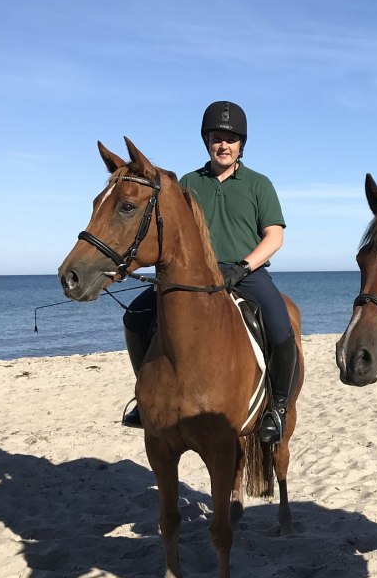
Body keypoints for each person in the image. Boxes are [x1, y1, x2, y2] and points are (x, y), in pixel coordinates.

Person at [121, 100, 298, 444]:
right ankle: (145, 399)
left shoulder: (259, 184)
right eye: (217, 137)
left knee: (280, 327)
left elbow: (274, 236)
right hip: (193, 276)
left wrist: (243, 266)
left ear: (241, 144)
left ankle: (277, 408)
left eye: (231, 139)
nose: (224, 145)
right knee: (135, 317)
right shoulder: (188, 182)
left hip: (247, 272)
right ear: (207, 141)